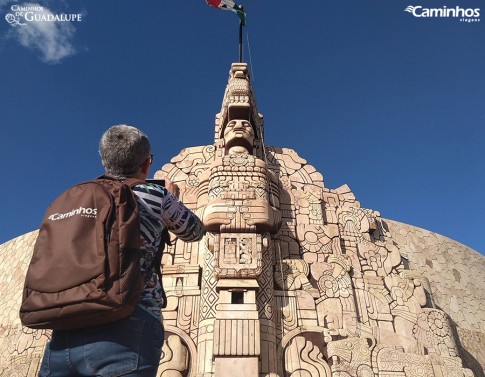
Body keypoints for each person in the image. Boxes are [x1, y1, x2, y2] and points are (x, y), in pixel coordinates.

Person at [38, 125, 205, 377]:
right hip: (128, 323)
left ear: (104, 160)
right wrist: (171, 198)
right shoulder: (155, 194)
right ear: (147, 164)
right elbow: (195, 231)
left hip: (66, 325)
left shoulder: (73, 197)